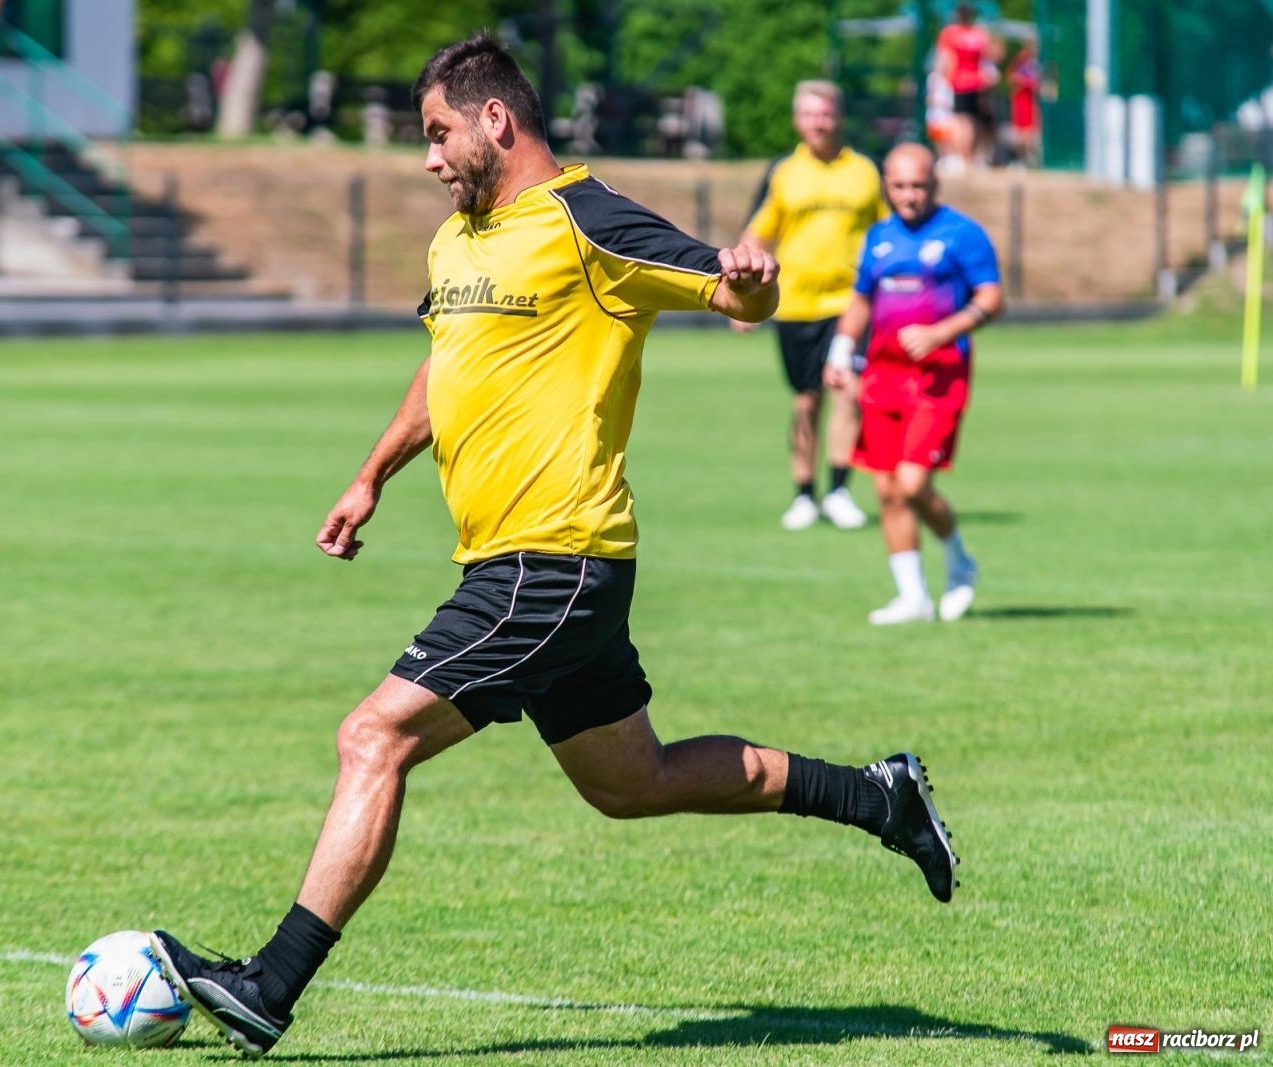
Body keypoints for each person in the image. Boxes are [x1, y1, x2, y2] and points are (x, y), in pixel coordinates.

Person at [147, 35, 960, 1060]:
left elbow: (732, 294)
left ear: (495, 119)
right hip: (520, 562)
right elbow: (445, 366)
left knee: (373, 736)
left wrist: (755, 280)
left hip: (554, 560)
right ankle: (878, 794)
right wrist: (371, 475)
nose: (428, 157)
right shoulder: (458, 241)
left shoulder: (590, 220)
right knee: (632, 782)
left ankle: (269, 985)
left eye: (437, 132)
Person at [824, 143, 1002, 625]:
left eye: (918, 185)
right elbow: (862, 299)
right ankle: (913, 597)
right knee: (887, 489)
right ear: (887, 185)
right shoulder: (879, 236)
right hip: (883, 376)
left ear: (935, 184)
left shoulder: (962, 234)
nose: (909, 195)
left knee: (912, 481)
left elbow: (992, 298)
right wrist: (840, 351)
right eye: (900, 186)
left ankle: (959, 561)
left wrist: (941, 332)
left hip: (938, 377)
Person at [735, 80, 883, 531]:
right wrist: (741, 297)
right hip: (796, 304)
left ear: (840, 117)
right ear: (798, 120)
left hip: (851, 303)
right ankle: (804, 494)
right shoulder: (783, 172)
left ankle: (838, 490)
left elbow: (888, 232)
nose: (819, 122)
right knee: (806, 401)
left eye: (826, 113)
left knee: (848, 390)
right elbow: (757, 234)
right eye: (810, 114)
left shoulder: (865, 171)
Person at [935, 3, 999, 173]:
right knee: (974, 121)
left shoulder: (950, 33)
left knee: (961, 121)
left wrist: (939, 79)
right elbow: (993, 55)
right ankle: (971, 157)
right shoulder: (980, 34)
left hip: (959, 82)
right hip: (978, 83)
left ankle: (965, 157)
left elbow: (945, 59)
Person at [1005, 38, 1043, 167]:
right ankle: (1019, 158)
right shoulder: (1020, 60)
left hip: (1031, 101)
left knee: (1032, 131)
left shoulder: (1037, 62)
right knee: (1020, 132)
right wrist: (1023, 81)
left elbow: (1040, 83)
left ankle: (1030, 159)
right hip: (1021, 100)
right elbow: (1011, 77)